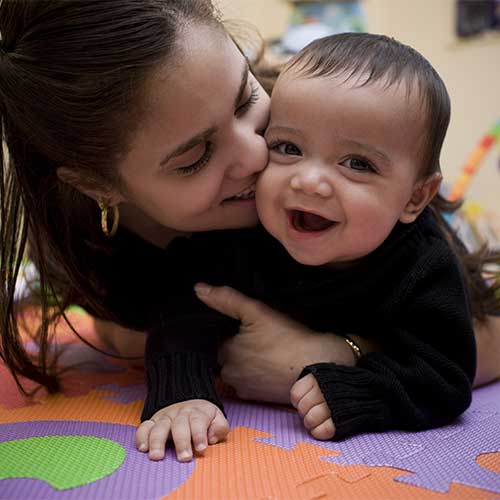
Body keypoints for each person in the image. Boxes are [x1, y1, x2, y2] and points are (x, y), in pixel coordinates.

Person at [0, 0, 498, 463]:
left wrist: (333, 356)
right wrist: (182, 385)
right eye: (195, 158)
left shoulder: (364, 185)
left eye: (245, 102)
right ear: (99, 186)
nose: (259, 154)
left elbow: (461, 346)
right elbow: (165, 317)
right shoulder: (85, 238)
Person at [135, 32, 500, 461]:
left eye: (357, 163)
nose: (308, 181)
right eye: (288, 148)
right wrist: (182, 393)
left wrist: (355, 387)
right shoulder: (241, 237)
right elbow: (182, 310)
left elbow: (445, 374)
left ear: (416, 197)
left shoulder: (423, 265)